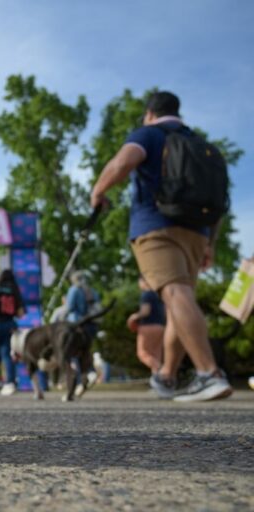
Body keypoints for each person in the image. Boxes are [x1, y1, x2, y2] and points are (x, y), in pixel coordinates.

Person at [90, 90, 232, 401]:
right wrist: (210, 243)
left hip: (156, 226)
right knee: (179, 301)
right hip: (198, 230)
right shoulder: (202, 144)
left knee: (174, 294)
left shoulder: (149, 134)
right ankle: (167, 375)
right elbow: (218, 198)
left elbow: (123, 161)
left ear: (150, 113)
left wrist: (99, 191)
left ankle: (209, 373)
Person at [127, 275, 166, 375]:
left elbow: (145, 312)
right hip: (160, 326)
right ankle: (159, 382)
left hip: (147, 326)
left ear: (144, 282)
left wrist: (133, 317)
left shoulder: (146, 295)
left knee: (142, 353)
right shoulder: (158, 295)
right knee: (156, 355)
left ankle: (164, 371)